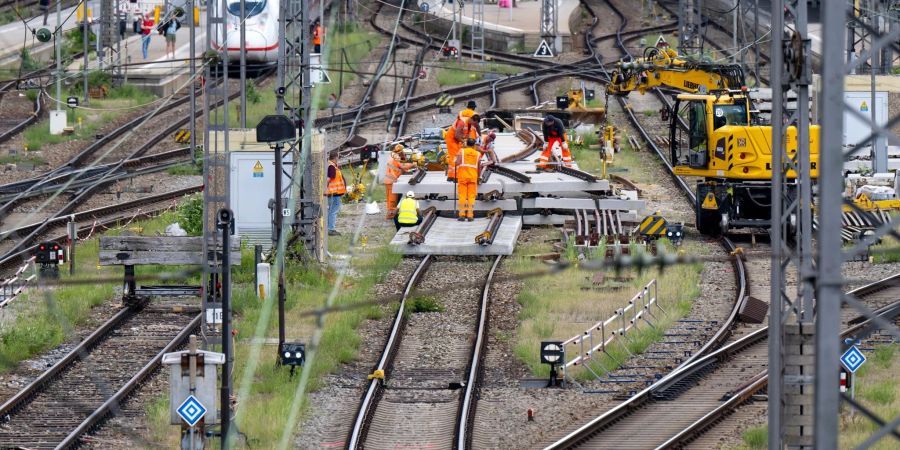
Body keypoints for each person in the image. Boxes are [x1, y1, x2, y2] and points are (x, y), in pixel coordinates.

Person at [445, 112, 480, 181]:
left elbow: (467, 135)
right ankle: (453, 176)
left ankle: (454, 175)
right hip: (452, 138)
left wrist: (470, 142)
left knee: (459, 154)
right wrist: (464, 142)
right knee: (454, 156)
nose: (475, 125)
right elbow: (456, 135)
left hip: (458, 139)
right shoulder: (462, 122)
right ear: (473, 120)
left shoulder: (470, 124)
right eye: (475, 123)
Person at [384, 144, 416, 220]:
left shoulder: (393, 156)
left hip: (389, 180)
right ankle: (391, 215)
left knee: (390, 199)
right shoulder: (395, 157)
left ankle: (391, 214)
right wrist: (413, 165)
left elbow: (401, 167)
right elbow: (403, 166)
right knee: (392, 200)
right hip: (391, 181)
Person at [455, 138, 481, 221]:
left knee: (462, 196)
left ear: (466, 144)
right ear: (474, 145)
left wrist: (455, 161)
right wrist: (478, 176)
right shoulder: (477, 154)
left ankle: (462, 215)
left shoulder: (461, 151)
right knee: (471, 197)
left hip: (462, 176)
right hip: (473, 177)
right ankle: (470, 215)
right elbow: (479, 167)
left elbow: (457, 163)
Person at [326, 152, 346, 236]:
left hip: (333, 193)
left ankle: (329, 228)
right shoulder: (331, 166)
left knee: (331, 211)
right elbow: (329, 179)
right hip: (334, 194)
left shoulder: (330, 165)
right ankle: (330, 229)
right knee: (333, 211)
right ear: (336, 157)